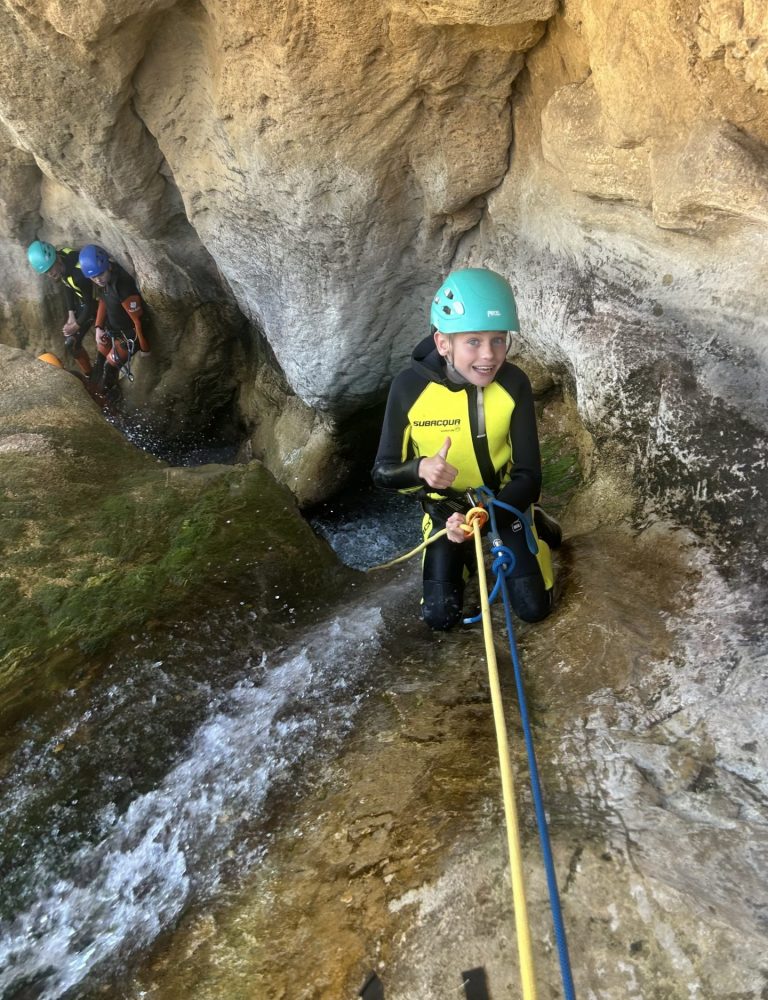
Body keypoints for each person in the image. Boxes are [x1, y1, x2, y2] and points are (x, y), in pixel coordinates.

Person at [372, 267, 562, 631]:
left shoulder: (513, 383)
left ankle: (532, 521)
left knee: (534, 608)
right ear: (444, 343)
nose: (489, 355)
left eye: (498, 340)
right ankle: (461, 555)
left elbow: (529, 475)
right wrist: (420, 470)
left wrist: (489, 515)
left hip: (502, 502)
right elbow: (382, 472)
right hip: (446, 511)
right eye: (473, 341)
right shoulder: (408, 389)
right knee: (440, 617)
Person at [78, 244, 150, 399]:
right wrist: (98, 327)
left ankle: (107, 399)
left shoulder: (122, 285)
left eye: (100, 274)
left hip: (130, 337)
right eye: (93, 277)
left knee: (108, 367)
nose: (98, 279)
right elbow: (103, 301)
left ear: (108, 265)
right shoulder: (102, 281)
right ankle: (95, 393)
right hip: (114, 332)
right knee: (99, 362)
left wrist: (145, 350)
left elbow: (138, 320)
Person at [27, 240, 96, 376]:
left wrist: (77, 324)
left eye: (51, 268)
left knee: (105, 338)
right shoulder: (62, 257)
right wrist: (71, 314)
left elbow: (92, 305)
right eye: (47, 272)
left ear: (56, 258)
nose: (50, 274)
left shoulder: (78, 274)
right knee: (71, 343)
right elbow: (67, 286)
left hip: (97, 304)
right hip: (83, 302)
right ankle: (89, 375)